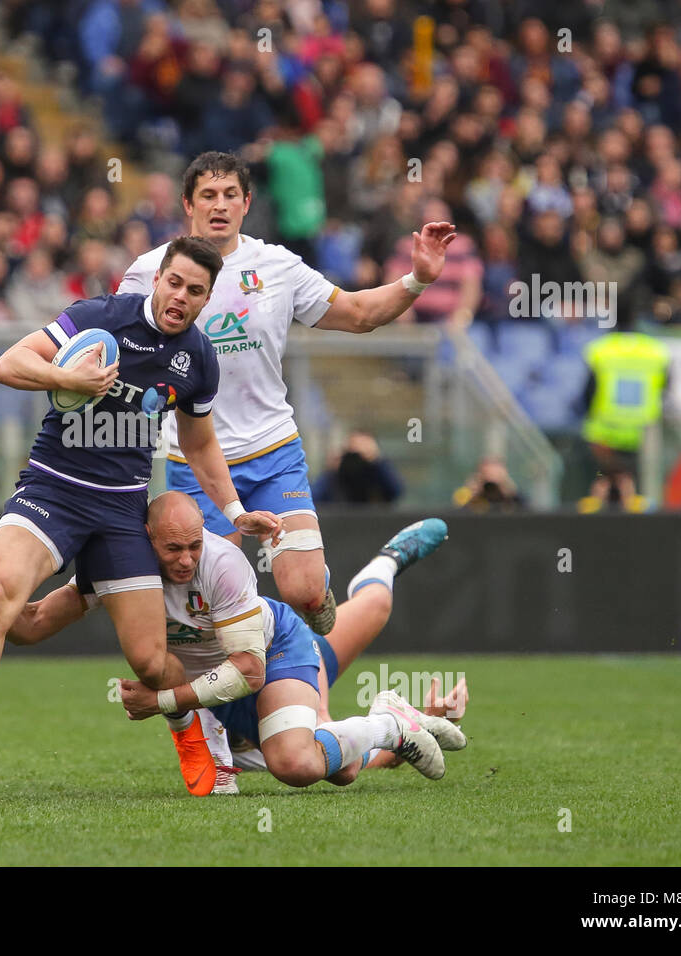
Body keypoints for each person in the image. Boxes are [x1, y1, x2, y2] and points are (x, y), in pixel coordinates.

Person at [0, 236, 283, 783]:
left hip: (123, 511)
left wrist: (235, 509)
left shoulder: (197, 356)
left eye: (195, 290)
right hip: (52, 491)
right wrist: (64, 378)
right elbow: (9, 364)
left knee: (150, 661)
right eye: (174, 282)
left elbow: (199, 445)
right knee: (3, 596)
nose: (181, 296)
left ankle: (195, 728)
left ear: (206, 298)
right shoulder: (100, 316)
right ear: (157, 279)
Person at [118, 151, 456, 639]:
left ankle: (311, 626)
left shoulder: (276, 265)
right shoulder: (152, 271)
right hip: (193, 463)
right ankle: (247, 687)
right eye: (208, 195)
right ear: (188, 205)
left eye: (230, 195)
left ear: (247, 203)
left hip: (273, 451)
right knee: (205, 616)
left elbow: (358, 313)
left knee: (303, 591)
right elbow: (122, 341)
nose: (220, 205)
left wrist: (418, 278)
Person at [0, 492, 464, 794]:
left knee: (296, 760)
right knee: (343, 769)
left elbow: (248, 670)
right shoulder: (121, 570)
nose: (186, 559)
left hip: (276, 655)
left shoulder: (222, 562)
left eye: (194, 545)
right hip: (221, 692)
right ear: (145, 539)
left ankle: (388, 565)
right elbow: (29, 627)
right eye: (173, 548)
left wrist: (159, 702)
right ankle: (393, 722)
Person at [578, 320, 671, 513]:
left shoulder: (600, 349)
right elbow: (666, 388)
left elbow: (587, 392)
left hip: (604, 435)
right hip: (641, 435)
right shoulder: (656, 351)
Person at [310, 429, 404, 505]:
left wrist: (378, 462)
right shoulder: (335, 475)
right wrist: (331, 469)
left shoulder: (377, 471)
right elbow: (314, 497)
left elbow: (396, 491)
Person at [452, 456, 525, 511]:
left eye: (496, 475)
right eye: (487, 475)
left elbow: (528, 510)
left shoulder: (511, 496)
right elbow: (457, 513)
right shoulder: (470, 494)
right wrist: (470, 494)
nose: (491, 486)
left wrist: (512, 492)